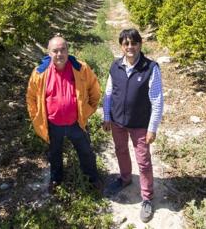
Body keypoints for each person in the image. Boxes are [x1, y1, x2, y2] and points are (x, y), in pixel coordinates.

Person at [26, 35, 102, 194]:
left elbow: (94, 89)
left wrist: (88, 110)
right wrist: (36, 118)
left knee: (86, 152)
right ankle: (56, 180)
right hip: (53, 125)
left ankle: (92, 179)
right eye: (55, 51)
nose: (59, 54)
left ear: (68, 51)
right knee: (55, 154)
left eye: (62, 50)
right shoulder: (40, 73)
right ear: (49, 53)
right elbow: (31, 98)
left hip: (76, 123)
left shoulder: (81, 68)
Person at [102, 28, 164, 223]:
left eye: (134, 43)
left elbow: (157, 100)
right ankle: (125, 178)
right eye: (126, 43)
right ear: (121, 46)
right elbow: (109, 93)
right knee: (120, 150)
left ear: (140, 45)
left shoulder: (150, 68)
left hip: (140, 125)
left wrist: (152, 128)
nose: (130, 47)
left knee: (143, 161)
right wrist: (106, 116)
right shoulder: (115, 67)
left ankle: (147, 197)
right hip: (117, 122)